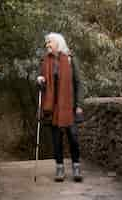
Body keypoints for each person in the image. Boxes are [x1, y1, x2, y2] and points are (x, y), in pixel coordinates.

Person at [36, 32, 84, 182]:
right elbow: (40, 84)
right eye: (47, 43)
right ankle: (60, 169)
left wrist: (79, 104)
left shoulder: (70, 59)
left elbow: (79, 83)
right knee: (56, 140)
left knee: (73, 138)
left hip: (69, 106)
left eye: (49, 42)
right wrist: (39, 80)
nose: (47, 45)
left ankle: (76, 167)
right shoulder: (44, 61)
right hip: (53, 107)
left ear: (58, 43)